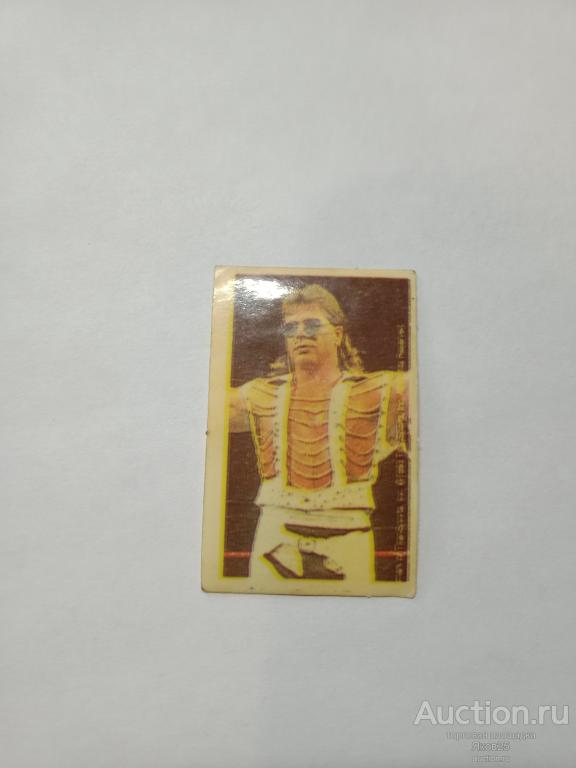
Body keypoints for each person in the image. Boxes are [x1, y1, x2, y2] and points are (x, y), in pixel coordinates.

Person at [229, 284, 408, 587]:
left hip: (348, 538)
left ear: (338, 334)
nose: (301, 334)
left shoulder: (380, 392)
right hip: (275, 536)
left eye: (312, 325)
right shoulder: (259, 396)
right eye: (291, 328)